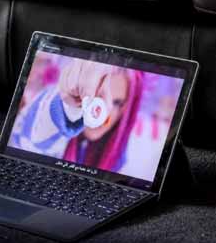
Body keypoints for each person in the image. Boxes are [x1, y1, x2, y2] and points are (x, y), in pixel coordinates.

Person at [9, 58, 143, 173]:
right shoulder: (50, 126)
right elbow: (35, 137)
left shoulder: (120, 162)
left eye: (117, 102)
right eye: (98, 96)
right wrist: (69, 105)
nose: (105, 111)